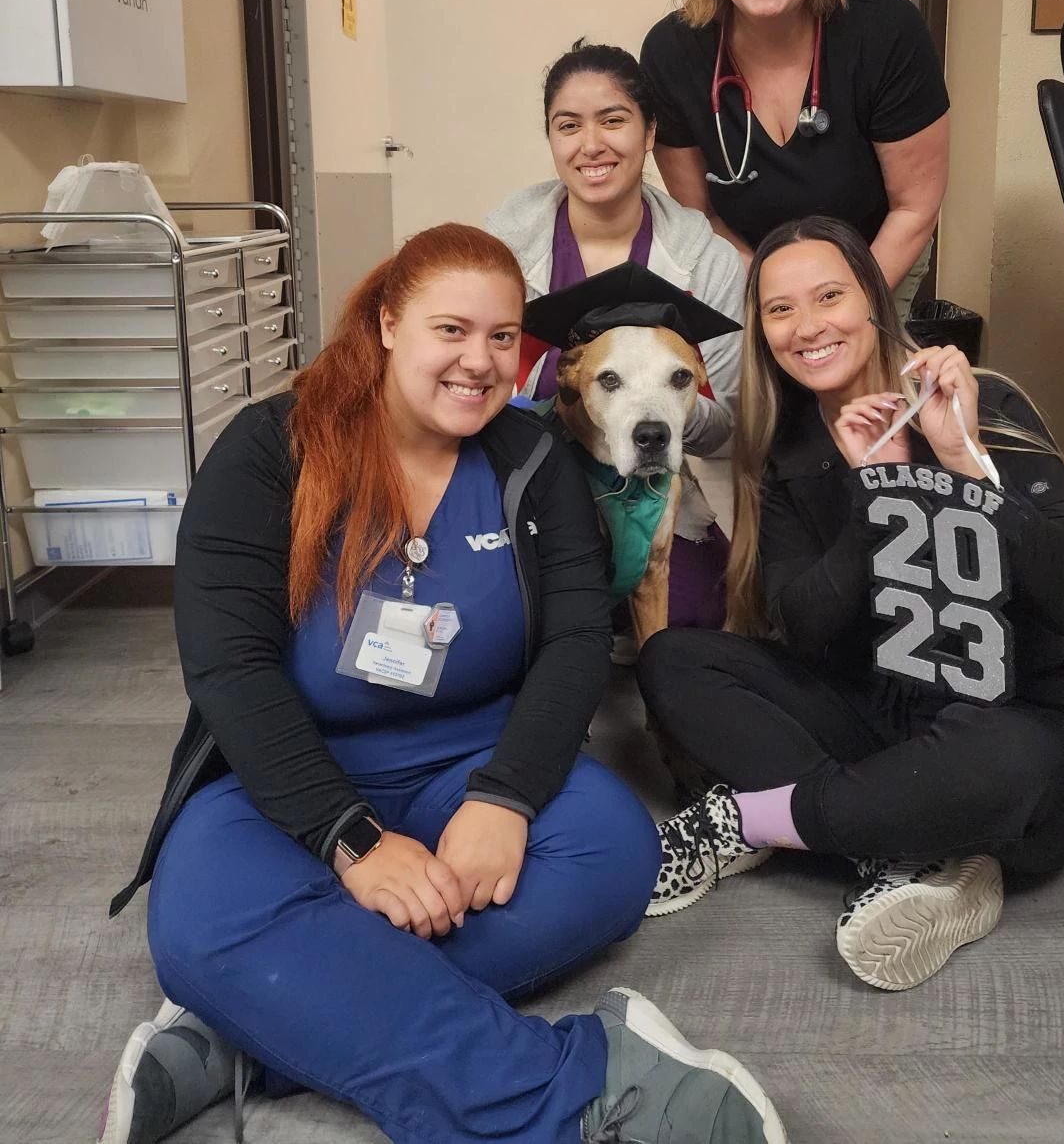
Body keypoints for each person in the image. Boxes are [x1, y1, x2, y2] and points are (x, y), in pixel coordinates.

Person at [100, 224, 785, 1144]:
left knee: (615, 857)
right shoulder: (271, 449)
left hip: (472, 759)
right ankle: (583, 1090)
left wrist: (505, 797)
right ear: (388, 322)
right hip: (289, 780)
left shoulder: (531, 461)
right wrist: (351, 841)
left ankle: (252, 1030)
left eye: (502, 337)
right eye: (450, 330)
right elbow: (229, 667)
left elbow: (579, 639)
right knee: (195, 925)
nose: (479, 361)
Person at [637, 216, 1064, 992]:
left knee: (1006, 761)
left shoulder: (979, 401)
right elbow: (812, 632)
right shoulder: (786, 446)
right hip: (876, 715)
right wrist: (873, 490)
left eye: (829, 296)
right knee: (672, 659)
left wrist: (960, 460)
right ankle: (905, 849)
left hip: (1007, 717)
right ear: (763, 331)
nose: (808, 325)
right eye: (781, 309)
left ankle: (749, 820)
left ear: (874, 301)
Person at [486, 41, 746, 628]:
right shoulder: (502, 247)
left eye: (614, 120)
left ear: (650, 132)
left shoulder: (705, 260)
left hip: (655, 489)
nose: (592, 144)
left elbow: (727, 424)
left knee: (692, 623)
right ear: (551, 139)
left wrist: (661, 406)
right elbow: (478, 385)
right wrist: (563, 384)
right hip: (534, 476)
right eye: (569, 125)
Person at [638, 0, 950, 321]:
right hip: (744, 268)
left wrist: (837, 315)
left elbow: (913, 211)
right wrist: (779, 309)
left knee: (861, 390)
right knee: (754, 393)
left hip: (876, 259)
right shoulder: (674, 52)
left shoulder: (886, 32)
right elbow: (702, 218)